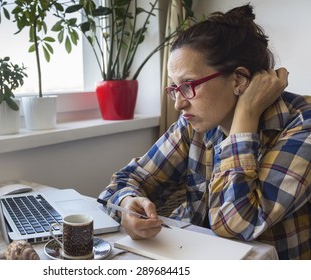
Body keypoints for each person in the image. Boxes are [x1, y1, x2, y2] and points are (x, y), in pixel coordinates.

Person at [98, 4, 310, 260]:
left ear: (239, 79)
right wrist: (126, 207)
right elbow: (123, 182)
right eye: (174, 88)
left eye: (188, 86)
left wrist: (245, 118)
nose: (178, 104)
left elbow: (235, 224)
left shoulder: (301, 126)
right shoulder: (194, 123)